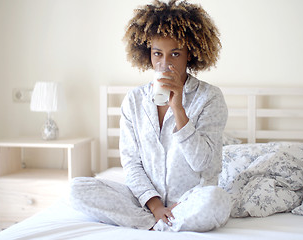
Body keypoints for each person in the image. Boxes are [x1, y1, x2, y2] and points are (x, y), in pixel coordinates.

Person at [70, 0, 230, 232]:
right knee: (77, 188)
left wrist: (179, 109)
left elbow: (205, 164)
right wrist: (155, 206)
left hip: (189, 201)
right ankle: (157, 224)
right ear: (148, 54)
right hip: (144, 202)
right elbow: (132, 163)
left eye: (175, 54)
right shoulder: (133, 100)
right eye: (158, 54)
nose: (165, 64)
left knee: (218, 200)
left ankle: (166, 221)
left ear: (190, 55)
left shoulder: (210, 98)